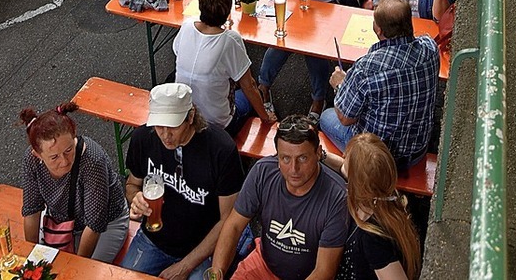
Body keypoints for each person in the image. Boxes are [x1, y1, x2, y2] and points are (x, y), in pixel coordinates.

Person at [122, 83, 246, 278]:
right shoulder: (143, 137)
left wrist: (185, 265)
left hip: (203, 247)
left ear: (190, 116)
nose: (165, 134)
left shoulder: (221, 149)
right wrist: (135, 198)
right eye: (159, 126)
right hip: (153, 240)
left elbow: (228, 220)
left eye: (173, 126)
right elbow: (132, 184)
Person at [211, 115, 348, 280]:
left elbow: (323, 271)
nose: (293, 169)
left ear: (318, 153)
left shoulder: (337, 198)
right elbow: (233, 226)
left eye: (302, 158)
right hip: (263, 263)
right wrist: (215, 275)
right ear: (277, 156)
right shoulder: (262, 172)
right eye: (285, 159)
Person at [320, 0, 439, 166]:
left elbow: (346, 118)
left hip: (377, 160)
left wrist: (340, 85)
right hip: (417, 150)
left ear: (379, 30)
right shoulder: (430, 48)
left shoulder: (367, 68)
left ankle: (345, 169)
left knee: (326, 116)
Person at [20, 101, 129, 262]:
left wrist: (76, 266)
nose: (64, 161)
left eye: (68, 150)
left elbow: (94, 225)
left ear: (74, 136)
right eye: (54, 157)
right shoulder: (31, 161)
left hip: (106, 223)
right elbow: (32, 210)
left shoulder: (93, 160)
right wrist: (32, 257)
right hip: (62, 219)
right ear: (37, 154)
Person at [173, 0, 275, 134]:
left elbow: (177, 52)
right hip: (218, 125)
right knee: (255, 94)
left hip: (185, 116)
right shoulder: (230, 39)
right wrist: (266, 117)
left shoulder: (186, 26)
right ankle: (243, 145)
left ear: (200, 6)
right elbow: (250, 85)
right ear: (228, 11)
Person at [339, 133, 421, 280]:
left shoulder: (373, 238)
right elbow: (348, 168)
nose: (343, 158)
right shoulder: (389, 201)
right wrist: (322, 156)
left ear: (357, 182)